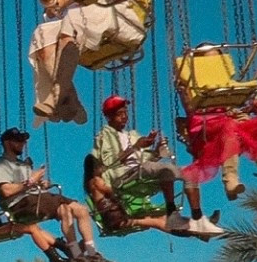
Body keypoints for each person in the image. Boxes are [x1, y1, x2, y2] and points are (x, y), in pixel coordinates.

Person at [92, 93, 224, 239]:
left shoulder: (132, 134)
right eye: (119, 114)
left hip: (141, 170)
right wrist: (135, 147)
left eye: (125, 113)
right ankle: (190, 220)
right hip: (123, 175)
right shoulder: (104, 136)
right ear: (109, 116)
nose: (124, 117)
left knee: (189, 173)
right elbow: (109, 162)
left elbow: (146, 160)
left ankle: (191, 217)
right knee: (164, 171)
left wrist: (156, 151)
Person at [0, 125, 113, 262]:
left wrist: (40, 184)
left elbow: (29, 185)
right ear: (7, 143)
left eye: (23, 141)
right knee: (63, 207)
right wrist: (30, 181)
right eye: (18, 141)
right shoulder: (2, 164)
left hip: (37, 198)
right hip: (21, 204)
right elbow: (5, 190)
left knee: (79, 210)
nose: (22, 144)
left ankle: (88, 254)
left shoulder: (22, 165)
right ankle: (76, 254)